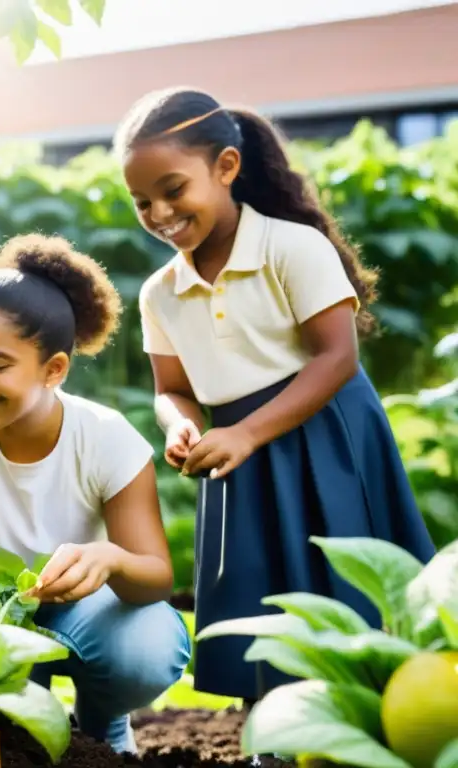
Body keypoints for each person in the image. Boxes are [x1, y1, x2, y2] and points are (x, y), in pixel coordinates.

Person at [117, 86, 438, 703]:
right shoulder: (160, 293)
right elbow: (173, 390)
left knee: (344, 578)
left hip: (324, 430)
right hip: (239, 456)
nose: (159, 213)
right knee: (254, 588)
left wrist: (246, 431)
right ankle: (274, 725)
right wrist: (178, 425)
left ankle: (379, 715)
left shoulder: (292, 248)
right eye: (142, 202)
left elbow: (337, 357)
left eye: (173, 190)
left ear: (226, 168)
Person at [0, 234, 192, 755]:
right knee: (11, 731)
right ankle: (21, 728)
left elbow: (155, 578)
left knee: (148, 647)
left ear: (54, 369)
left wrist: (109, 559)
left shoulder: (108, 439)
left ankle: (102, 720)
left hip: (88, 611)